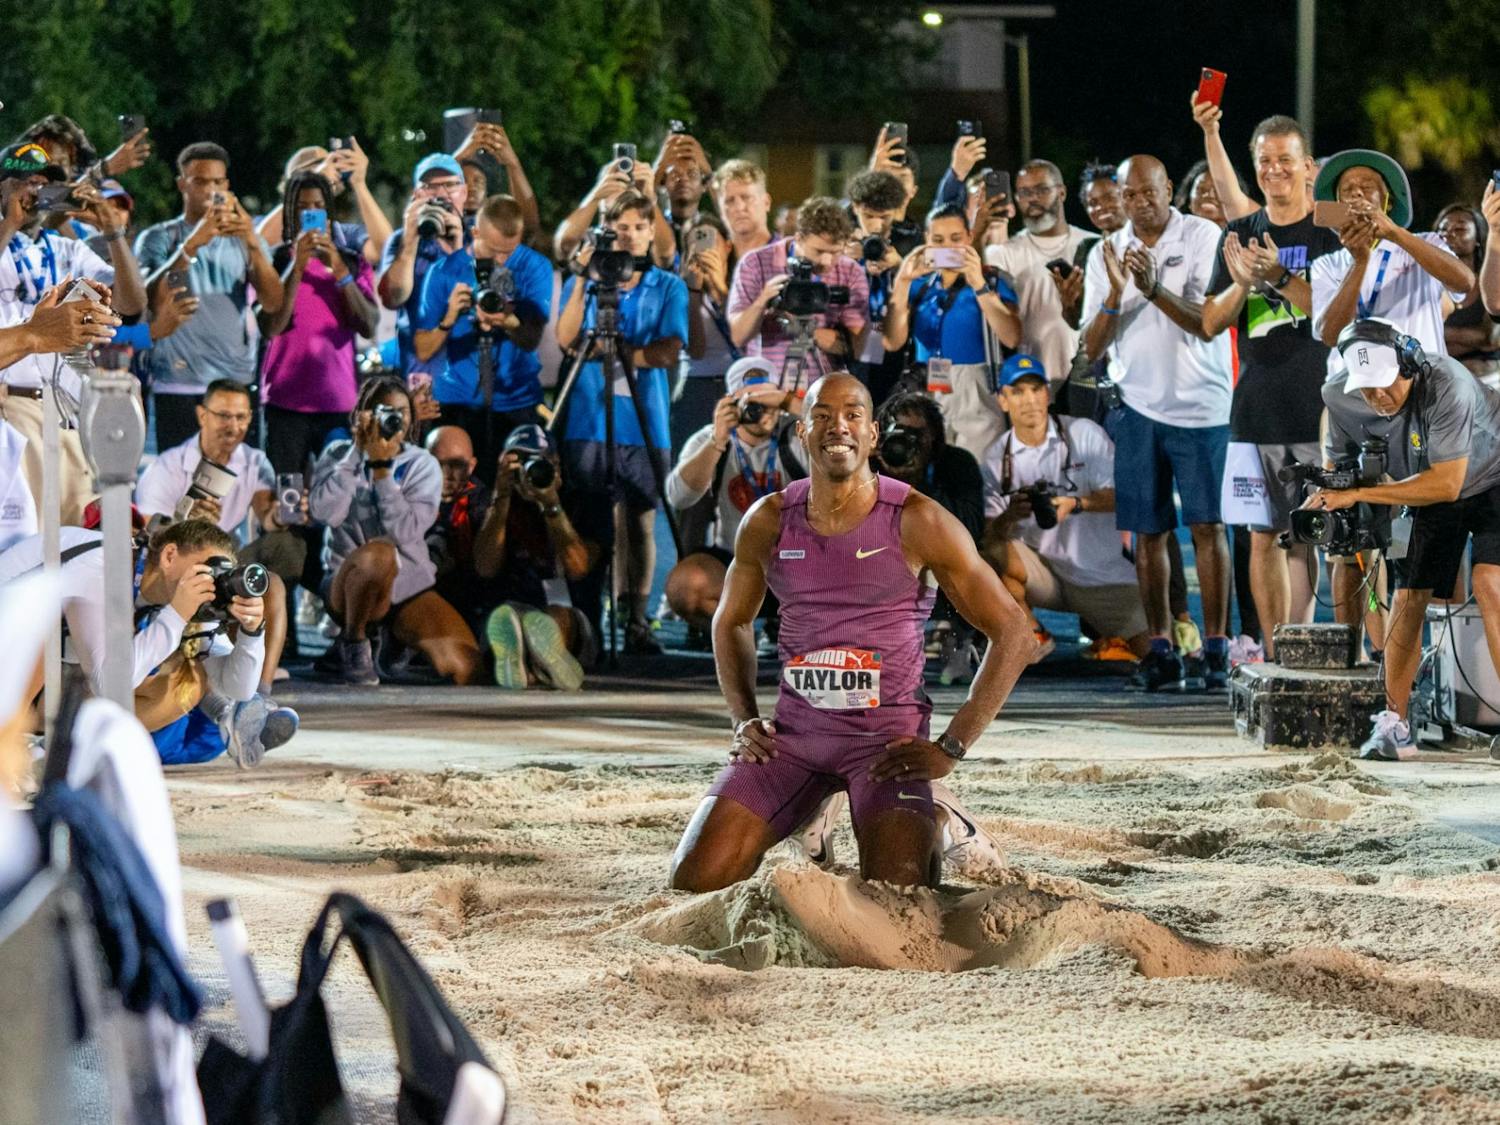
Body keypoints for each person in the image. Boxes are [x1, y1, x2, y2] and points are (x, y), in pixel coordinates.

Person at [668, 373, 1034, 892]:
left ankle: (940, 816)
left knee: (898, 898)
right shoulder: (769, 519)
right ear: (802, 431)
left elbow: (1014, 633)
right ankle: (818, 807)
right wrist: (743, 717)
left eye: (852, 415)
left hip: (884, 750)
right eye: (821, 416)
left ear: (873, 435)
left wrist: (953, 746)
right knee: (692, 881)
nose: (836, 426)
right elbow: (730, 621)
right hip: (793, 743)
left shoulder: (919, 520)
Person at [1308, 319, 1500, 759]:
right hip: (1427, 483)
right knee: (1406, 595)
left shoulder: (1447, 381)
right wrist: (1331, 499)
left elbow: (1447, 484)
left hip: (1492, 475)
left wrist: (1360, 493)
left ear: (1408, 366)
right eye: (1365, 388)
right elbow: (1337, 471)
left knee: (1491, 583)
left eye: (1382, 384)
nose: (1375, 397)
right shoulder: (1339, 396)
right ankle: (1396, 725)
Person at [1081, 154, 1235, 692]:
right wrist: (1115, 295)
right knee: (1147, 533)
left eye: (1151, 192)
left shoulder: (1203, 235)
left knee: (1209, 526)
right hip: (1138, 408)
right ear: (1120, 199)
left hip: (1202, 407)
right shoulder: (1105, 252)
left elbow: (1209, 323)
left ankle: (1216, 648)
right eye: (1131, 195)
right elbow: (1089, 349)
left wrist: (1151, 288)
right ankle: (1163, 646)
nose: (1142, 203)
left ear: (1169, 188)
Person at [1200, 116, 1342, 662]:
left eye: (1286, 159)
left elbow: (1334, 316)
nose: (1275, 169)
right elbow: (1210, 322)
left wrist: (1279, 277)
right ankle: (1276, 652)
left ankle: (1306, 648)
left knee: (1316, 537)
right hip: (1256, 407)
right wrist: (1242, 283)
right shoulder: (1238, 233)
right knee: (1264, 535)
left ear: (1308, 166)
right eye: (1264, 160)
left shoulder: (1328, 228)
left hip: (1323, 407)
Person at [0, 518, 293, 767]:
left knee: (187, 684)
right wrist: (177, 615)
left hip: (42, 687)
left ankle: (47, 755)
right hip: (11, 648)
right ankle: (7, 748)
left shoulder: (192, 600)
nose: (212, 584)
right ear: (169, 556)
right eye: (207, 569)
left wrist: (251, 633)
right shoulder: (105, 566)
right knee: (41, 616)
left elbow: (238, 688)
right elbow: (110, 682)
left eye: (220, 575)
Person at [0, 143, 145, 523]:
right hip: (12, 407)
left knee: (77, 534)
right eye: (24, 182)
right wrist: (9, 224)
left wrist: (114, 233)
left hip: (68, 407)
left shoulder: (67, 249)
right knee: (25, 538)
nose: (35, 191)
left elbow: (132, 307)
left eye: (44, 184)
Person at [135, 378, 307, 689]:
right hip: (180, 562)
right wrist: (186, 523)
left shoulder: (254, 461)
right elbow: (148, 536)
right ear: (203, 415)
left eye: (241, 417)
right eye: (224, 416)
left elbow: (267, 518)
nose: (233, 425)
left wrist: (282, 515)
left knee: (275, 574)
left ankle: (260, 694)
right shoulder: (168, 466)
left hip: (230, 556)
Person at [309, 375, 480, 686]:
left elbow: (406, 531)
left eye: (402, 412)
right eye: (384, 411)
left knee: (465, 667)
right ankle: (354, 641)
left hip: (405, 588)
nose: (394, 420)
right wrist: (357, 455)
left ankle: (391, 642)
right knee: (379, 553)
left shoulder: (423, 464)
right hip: (349, 584)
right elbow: (325, 514)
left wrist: (382, 473)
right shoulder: (337, 454)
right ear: (363, 414)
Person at [980, 354, 1149, 665]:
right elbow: (988, 536)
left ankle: (1114, 638)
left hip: (1101, 574)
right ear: (1002, 400)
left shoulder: (1084, 433)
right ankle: (1030, 634)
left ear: (1048, 393)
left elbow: (1128, 496)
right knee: (989, 550)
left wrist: (1076, 504)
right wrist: (1010, 516)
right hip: (1043, 575)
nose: (1028, 400)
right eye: (1017, 392)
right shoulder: (995, 459)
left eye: (1035, 390)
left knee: (1149, 651)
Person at [136, 142, 285, 452]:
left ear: (227, 186)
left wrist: (252, 243)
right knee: (177, 488)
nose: (210, 189)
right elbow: (149, 301)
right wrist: (191, 245)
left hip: (233, 384)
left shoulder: (244, 239)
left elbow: (273, 302)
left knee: (235, 489)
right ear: (182, 184)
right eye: (200, 181)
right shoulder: (159, 237)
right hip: (177, 383)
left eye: (218, 182)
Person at [425, 424, 595, 690]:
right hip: (503, 613)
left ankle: (537, 660)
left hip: (565, 615)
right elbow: (485, 567)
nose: (529, 472)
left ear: (556, 464)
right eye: (521, 464)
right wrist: (502, 496)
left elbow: (578, 567)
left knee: (553, 617)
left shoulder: (579, 500)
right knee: (506, 619)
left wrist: (551, 504)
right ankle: (533, 666)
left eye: (539, 462)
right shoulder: (486, 502)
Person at [664, 356, 806, 631]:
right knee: (687, 587)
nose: (764, 410)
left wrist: (790, 403)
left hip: (801, 563)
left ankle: (796, 627)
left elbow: (845, 435)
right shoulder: (711, 438)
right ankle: (736, 632)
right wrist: (717, 441)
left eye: (768, 399)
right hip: (738, 563)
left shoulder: (797, 434)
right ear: (731, 403)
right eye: (752, 403)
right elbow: (679, 497)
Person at [414, 194, 551, 470]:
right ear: (475, 232)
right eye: (495, 250)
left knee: (516, 498)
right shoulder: (444, 272)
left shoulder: (533, 266)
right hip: (457, 402)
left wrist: (506, 318)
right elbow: (423, 349)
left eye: (509, 251)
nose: (502, 259)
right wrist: (449, 317)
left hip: (517, 401)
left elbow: (531, 338)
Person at [259, 170, 379, 475]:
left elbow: (369, 324)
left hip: (337, 404)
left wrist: (339, 270)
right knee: (288, 499)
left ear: (329, 212)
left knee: (338, 497)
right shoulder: (276, 262)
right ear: (290, 212)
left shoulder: (350, 260)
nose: (310, 213)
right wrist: (297, 267)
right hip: (285, 403)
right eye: (302, 207)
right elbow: (271, 325)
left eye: (318, 205)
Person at [881, 204, 1020, 459]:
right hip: (926, 386)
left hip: (976, 387)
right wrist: (902, 281)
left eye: (956, 239)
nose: (947, 247)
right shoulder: (919, 285)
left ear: (969, 237)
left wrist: (978, 283)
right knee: (928, 476)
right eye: (938, 240)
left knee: (978, 473)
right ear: (926, 241)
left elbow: (1011, 336)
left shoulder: (992, 281)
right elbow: (892, 342)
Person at [872, 390, 987, 683]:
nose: (907, 441)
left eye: (917, 434)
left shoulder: (956, 463)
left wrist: (918, 483)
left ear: (934, 437)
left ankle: (959, 639)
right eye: (899, 431)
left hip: (940, 564)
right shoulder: (868, 465)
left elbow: (971, 527)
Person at [1310, 148, 1474, 355]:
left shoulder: (1425, 243)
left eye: (1367, 187)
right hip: (1358, 382)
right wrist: (1360, 263)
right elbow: (1330, 335)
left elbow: (1465, 282)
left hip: (1421, 380)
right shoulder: (1327, 265)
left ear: (1389, 203)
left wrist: (1395, 233)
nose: (1357, 193)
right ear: (1337, 205)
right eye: (1347, 190)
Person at [727, 195, 869, 396]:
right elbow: (739, 336)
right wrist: (763, 301)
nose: (827, 261)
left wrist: (805, 329)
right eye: (819, 251)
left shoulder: (850, 271)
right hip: (768, 389)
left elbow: (860, 349)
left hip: (825, 392)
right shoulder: (755, 263)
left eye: (835, 252)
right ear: (799, 237)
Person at [988, 160, 1095, 396]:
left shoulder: (1092, 245)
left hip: (1086, 380)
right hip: (1030, 380)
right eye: (1025, 192)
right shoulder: (1003, 254)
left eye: (1041, 190)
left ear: (1062, 192)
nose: (1033, 199)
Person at [377, 153, 469, 376]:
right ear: (416, 195)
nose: (440, 194)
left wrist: (457, 250)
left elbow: (483, 303)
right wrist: (410, 241)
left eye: (450, 185)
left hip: (468, 372)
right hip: (420, 375)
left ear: (464, 192)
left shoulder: (478, 237)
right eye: (429, 186)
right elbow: (392, 298)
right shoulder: (401, 240)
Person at [254, 140, 394, 269]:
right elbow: (260, 246)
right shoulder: (262, 224)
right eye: (310, 172)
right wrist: (314, 180)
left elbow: (386, 251)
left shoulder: (343, 235)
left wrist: (359, 183)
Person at [845, 170, 913, 407]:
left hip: (899, 352)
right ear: (855, 208)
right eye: (868, 215)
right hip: (851, 349)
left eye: (884, 217)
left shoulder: (910, 241)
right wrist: (845, 261)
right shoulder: (843, 243)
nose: (876, 225)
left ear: (896, 211)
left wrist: (900, 266)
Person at [1435, 203, 1500, 384]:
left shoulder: (1490, 283)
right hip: (1442, 379)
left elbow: (1491, 339)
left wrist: (1435, 332)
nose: (1449, 234)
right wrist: (1471, 337)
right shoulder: (1426, 286)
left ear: (1478, 237)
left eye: (1460, 228)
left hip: (1487, 378)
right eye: (1443, 229)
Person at [712, 159, 774, 271]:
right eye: (729, 201)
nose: (739, 208)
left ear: (766, 202)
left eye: (747, 198)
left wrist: (718, 287)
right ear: (721, 211)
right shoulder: (713, 262)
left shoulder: (790, 256)